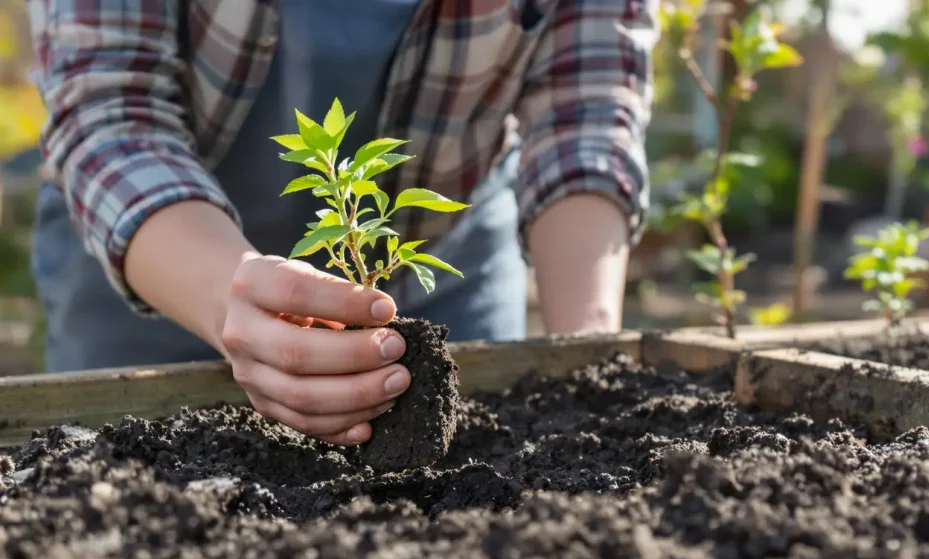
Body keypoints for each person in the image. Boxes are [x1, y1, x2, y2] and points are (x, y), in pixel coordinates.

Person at [25, 0, 656, 446]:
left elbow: (586, 110)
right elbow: (110, 114)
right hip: (157, 258)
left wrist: (590, 357)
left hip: (443, 248)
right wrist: (232, 296)